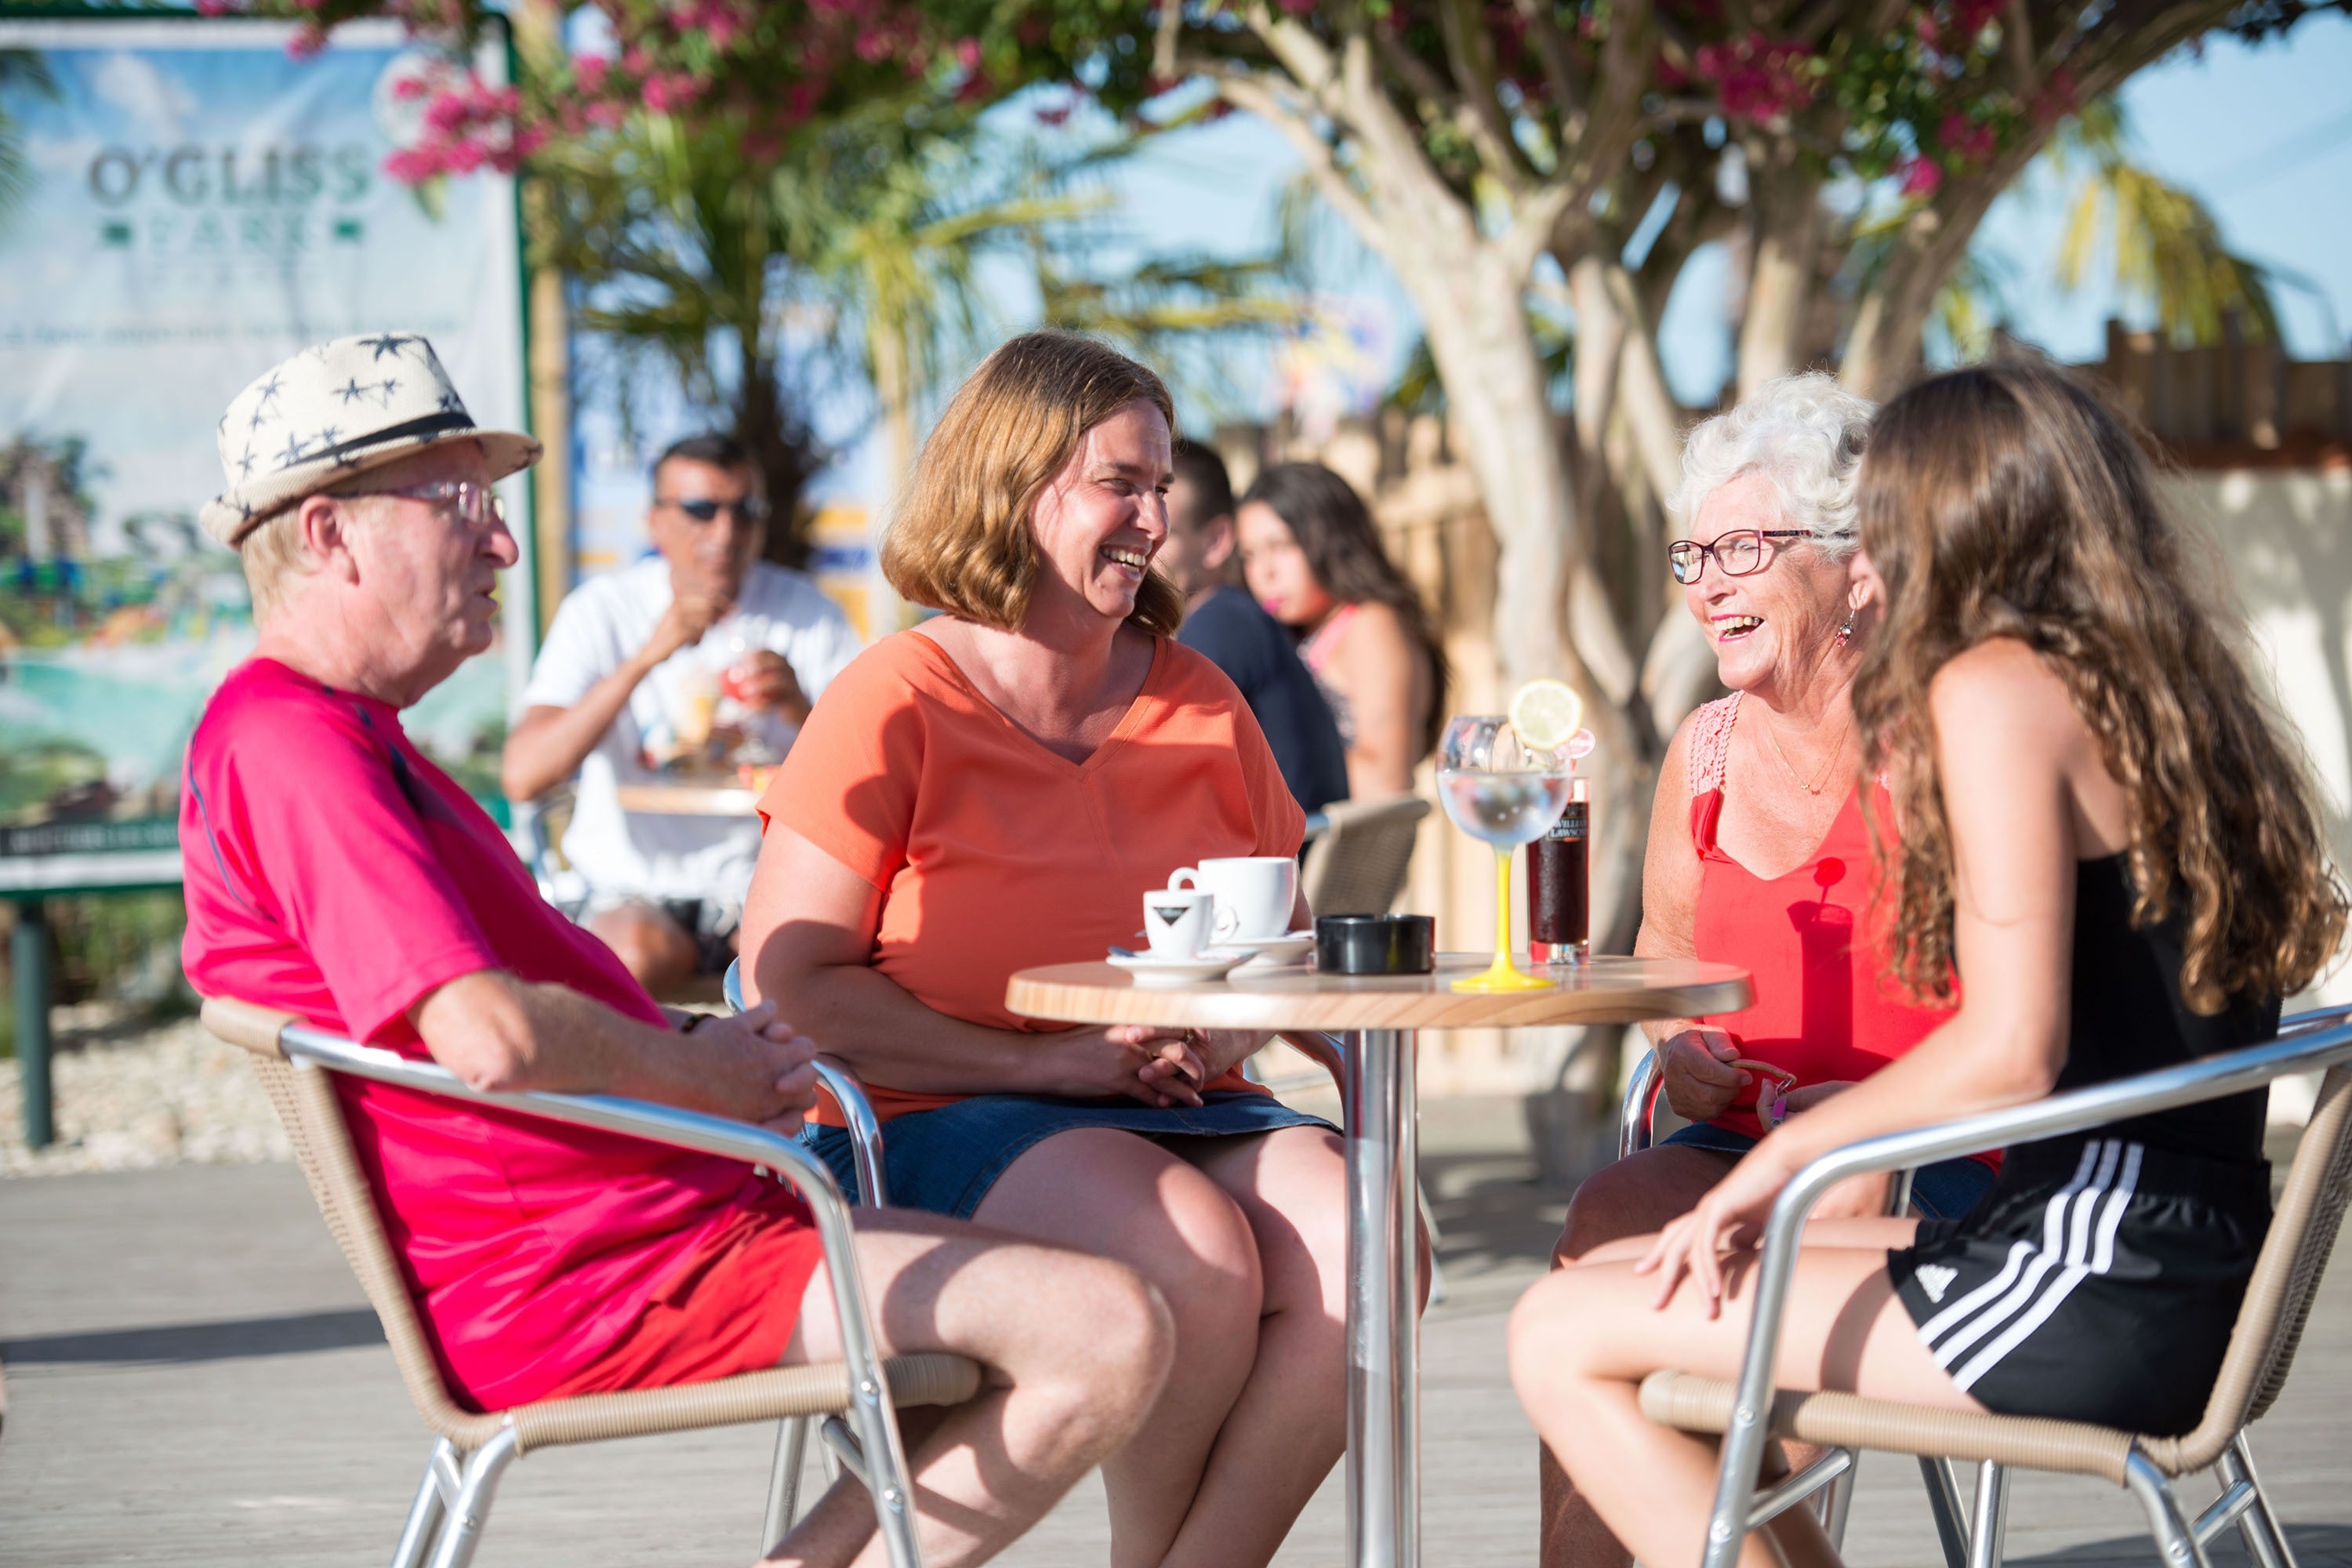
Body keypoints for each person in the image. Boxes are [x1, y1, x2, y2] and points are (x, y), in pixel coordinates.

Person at [181, 334, 1172, 1568]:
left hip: (654, 1228)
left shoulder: (333, 740)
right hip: (597, 1276)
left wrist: (707, 1049)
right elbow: (488, 1036)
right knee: (1109, 1328)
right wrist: (710, 1077)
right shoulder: (295, 749)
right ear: (327, 535)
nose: (500, 543)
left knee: (1103, 1290)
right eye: (461, 505)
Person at [1508, 359, 2348, 1568]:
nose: (1867, 554)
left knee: (1556, 1335)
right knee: (1631, 1272)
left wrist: (1790, 1154)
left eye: (1880, 514)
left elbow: (2015, 1048)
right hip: (2169, 1247)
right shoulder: (2158, 689)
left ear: (1952, 512)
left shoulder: (1996, 689)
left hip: (2086, 1266)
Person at [740, 332, 1366, 1568]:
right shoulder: (897, 696)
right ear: (1014, 487)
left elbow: (1279, 945)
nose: (1156, 518)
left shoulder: (1201, 697)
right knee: (1193, 1250)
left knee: (1367, 1237)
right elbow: (791, 987)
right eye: (1121, 484)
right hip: (936, 1109)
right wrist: (1059, 1066)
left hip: (1177, 1100)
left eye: (1163, 487)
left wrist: (1230, 1028)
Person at [1537, 375, 2000, 1568]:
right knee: (1598, 1225)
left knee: (1771, 1258)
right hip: (1741, 1150)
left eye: (1744, 547)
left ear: (1856, 564)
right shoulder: (1705, 751)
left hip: (1932, 1166)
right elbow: (1660, 951)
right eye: (1694, 553)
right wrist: (1674, 1051)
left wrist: (1867, 1124)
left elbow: (2028, 1002)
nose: (1706, 584)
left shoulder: (1957, 735)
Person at [503, 433, 860, 996]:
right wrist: (644, 659)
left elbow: (871, 775)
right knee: (635, 955)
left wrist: (799, 706)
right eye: (700, 509)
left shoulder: (809, 615)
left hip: (762, 887)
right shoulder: (604, 611)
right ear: (653, 520)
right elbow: (523, 775)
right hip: (633, 887)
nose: (726, 532)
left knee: (802, 974)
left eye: (746, 510)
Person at [1158, 438, 1349, 815]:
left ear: (1215, 541)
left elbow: (1160, 778)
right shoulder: (1239, 618)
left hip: (1273, 868)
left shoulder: (1219, 626)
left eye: (1165, 531)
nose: (1142, 541)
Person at [1236, 462, 1445, 799]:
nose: (1263, 572)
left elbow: (1387, 782)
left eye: (1280, 547)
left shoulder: (1371, 624)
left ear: (1331, 539)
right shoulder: (1304, 630)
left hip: (1345, 848)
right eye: (1249, 555)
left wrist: (1267, 754)